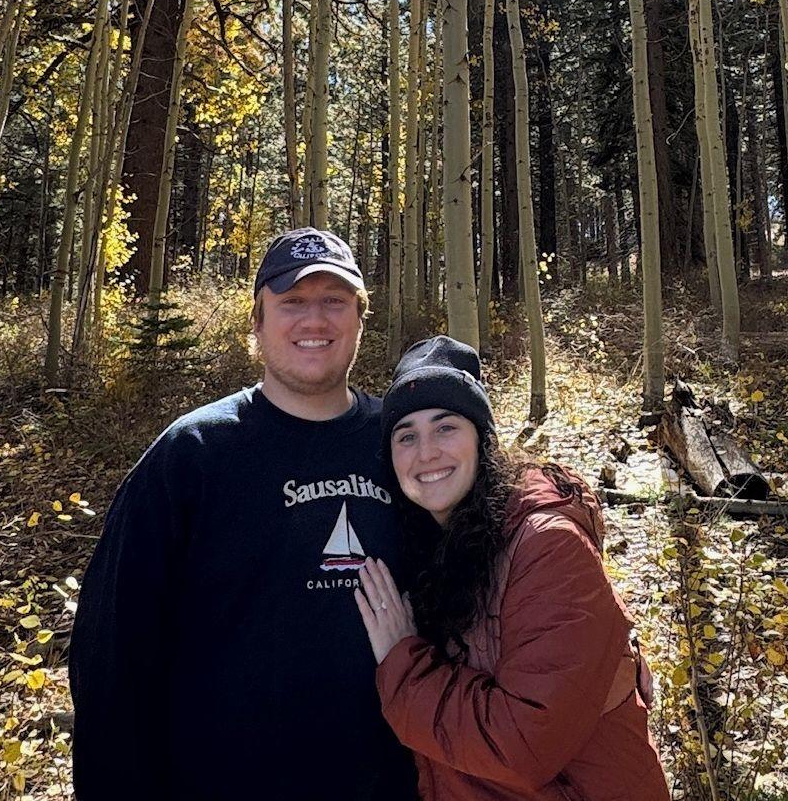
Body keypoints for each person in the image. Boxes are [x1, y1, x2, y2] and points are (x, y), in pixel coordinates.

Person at [69, 227, 416, 801]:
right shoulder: (192, 456)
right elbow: (113, 657)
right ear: (257, 321)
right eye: (292, 301)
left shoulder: (406, 446)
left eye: (335, 300)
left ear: (361, 317)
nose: (315, 319)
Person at [353, 337, 671, 801]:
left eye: (446, 427)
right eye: (406, 436)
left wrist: (404, 662)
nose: (426, 452)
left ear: (482, 440)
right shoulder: (435, 544)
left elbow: (522, 744)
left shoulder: (547, 545)